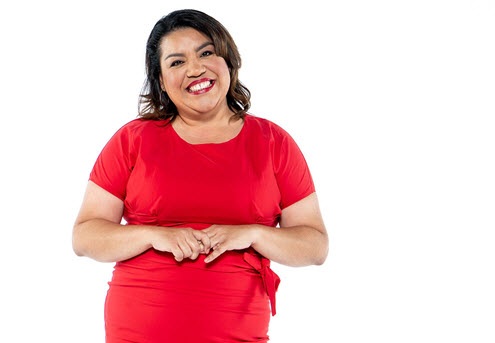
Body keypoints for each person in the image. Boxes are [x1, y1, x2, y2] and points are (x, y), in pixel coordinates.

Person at [72, 9, 328, 343]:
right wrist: (154, 235)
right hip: (137, 328)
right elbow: (85, 237)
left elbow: (315, 246)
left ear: (228, 61)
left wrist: (251, 234)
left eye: (206, 53)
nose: (195, 68)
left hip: (239, 331)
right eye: (176, 62)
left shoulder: (273, 143)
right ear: (161, 80)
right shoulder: (133, 140)